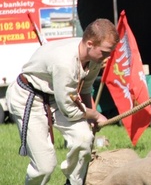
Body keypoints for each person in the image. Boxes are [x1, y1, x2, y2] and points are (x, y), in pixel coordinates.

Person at [6, 18, 119, 185]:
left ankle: (73, 182)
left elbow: (86, 89)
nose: (108, 56)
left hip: (57, 97)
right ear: (90, 44)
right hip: (28, 97)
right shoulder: (65, 62)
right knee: (44, 166)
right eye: (106, 51)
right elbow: (69, 109)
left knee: (84, 138)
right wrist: (94, 114)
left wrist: (90, 117)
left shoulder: (95, 59)